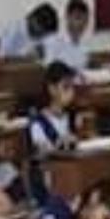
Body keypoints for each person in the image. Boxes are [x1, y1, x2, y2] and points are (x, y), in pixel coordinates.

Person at [27, 61, 78, 204]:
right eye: (66, 87)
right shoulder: (38, 122)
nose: (71, 92)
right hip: (49, 179)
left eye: (72, 87)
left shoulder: (73, 117)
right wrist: (59, 145)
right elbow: (43, 154)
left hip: (72, 172)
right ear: (52, 89)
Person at [44, 0, 90, 71]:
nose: (82, 23)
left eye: (85, 20)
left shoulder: (84, 46)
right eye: (78, 18)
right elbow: (49, 72)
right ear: (67, 17)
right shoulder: (53, 42)